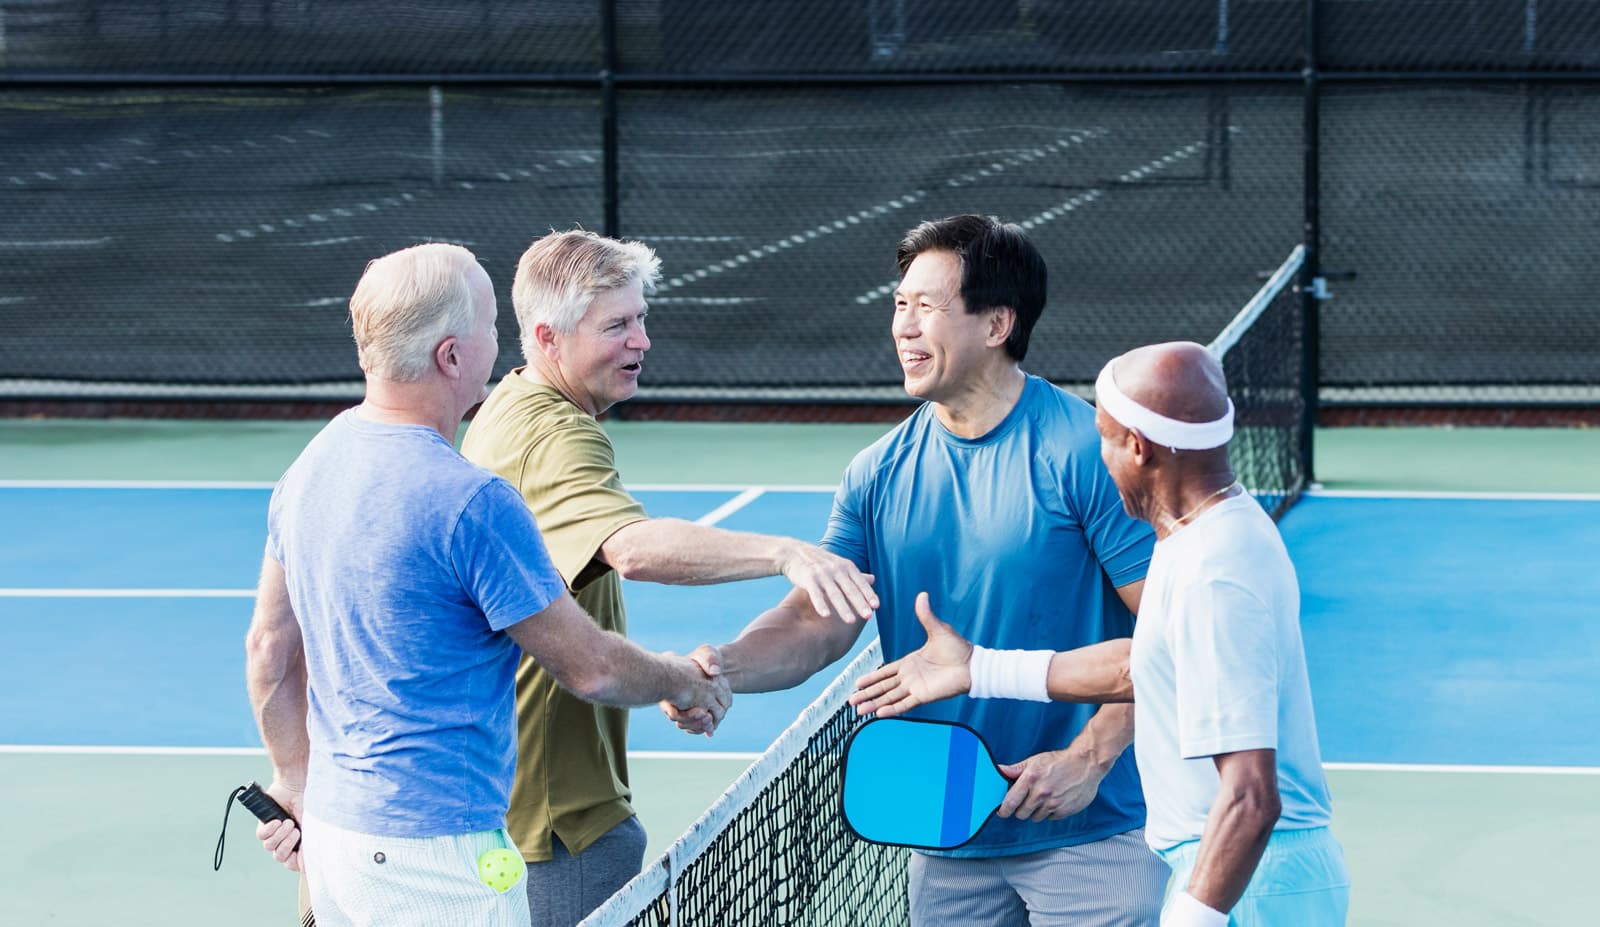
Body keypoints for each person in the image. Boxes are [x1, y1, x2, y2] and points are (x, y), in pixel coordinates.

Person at [667, 215, 1170, 926]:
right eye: (899, 304)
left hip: (1090, 830)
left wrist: (1090, 756)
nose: (903, 326)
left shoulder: (1083, 452)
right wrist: (722, 666)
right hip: (942, 830)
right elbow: (819, 615)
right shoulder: (875, 473)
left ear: (997, 323)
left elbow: (1173, 634)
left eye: (926, 306)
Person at [244, 242, 730, 927]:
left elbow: (269, 647)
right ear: (451, 357)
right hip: (437, 864)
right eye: (491, 329)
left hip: (335, 843)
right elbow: (588, 666)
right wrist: (681, 678)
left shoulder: (310, 465)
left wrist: (292, 775)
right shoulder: (473, 502)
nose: (502, 345)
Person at [458, 229, 879, 927]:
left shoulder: (509, 404)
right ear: (547, 336)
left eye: (641, 318)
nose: (641, 340)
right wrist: (785, 553)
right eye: (616, 325)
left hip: (520, 802)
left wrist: (711, 671)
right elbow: (635, 548)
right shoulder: (555, 434)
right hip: (561, 821)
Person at [850, 342, 1350, 926]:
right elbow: (1144, 666)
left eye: (1104, 439)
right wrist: (978, 668)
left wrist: (1195, 918)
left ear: (1138, 448)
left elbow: (1250, 797)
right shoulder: (1200, 536)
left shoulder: (1214, 572)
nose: (1097, 457)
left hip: (1248, 878)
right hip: (1234, 868)